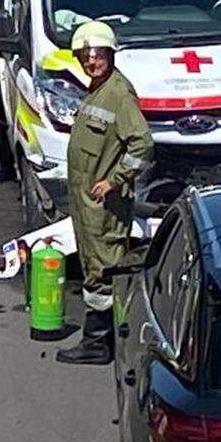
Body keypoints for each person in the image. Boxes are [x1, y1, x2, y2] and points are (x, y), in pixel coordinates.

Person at [56, 22, 154, 366]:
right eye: (84, 56)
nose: (90, 61)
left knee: (102, 269)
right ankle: (105, 337)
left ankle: (98, 343)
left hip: (104, 204)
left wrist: (115, 179)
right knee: (91, 264)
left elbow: (142, 144)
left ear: (110, 54)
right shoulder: (97, 88)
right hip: (87, 202)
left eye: (96, 55)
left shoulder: (117, 93)